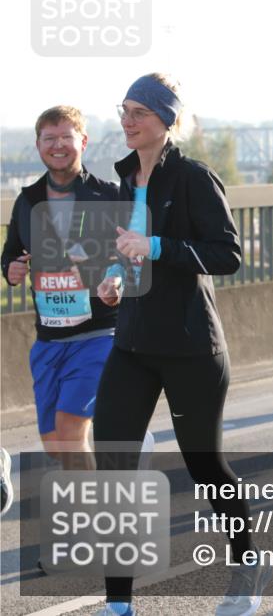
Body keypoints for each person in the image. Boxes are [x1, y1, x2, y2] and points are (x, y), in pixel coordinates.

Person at [91, 74, 270, 616]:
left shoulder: (194, 178)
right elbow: (130, 252)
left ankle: (248, 568)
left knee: (206, 469)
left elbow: (227, 255)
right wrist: (116, 277)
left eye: (139, 112)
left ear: (167, 121)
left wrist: (158, 246)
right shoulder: (127, 179)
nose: (128, 120)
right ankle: (118, 604)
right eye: (124, 109)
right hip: (133, 345)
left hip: (191, 347)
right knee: (114, 467)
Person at [1, 106, 123, 471]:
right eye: (49, 138)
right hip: (49, 339)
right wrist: (11, 269)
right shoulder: (28, 200)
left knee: (71, 431)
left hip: (99, 333)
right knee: (56, 443)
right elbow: (10, 253)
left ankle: (92, 506)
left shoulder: (108, 195)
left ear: (83, 142)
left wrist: (115, 278)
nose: (57, 146)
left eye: (66, 137)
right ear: (38, 144)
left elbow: (130, 256)